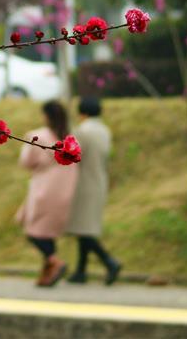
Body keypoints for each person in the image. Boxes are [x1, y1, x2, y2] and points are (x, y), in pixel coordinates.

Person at [16, 101, 79, 287]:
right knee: (48, 233)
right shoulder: (72, 139)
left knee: (33, 231)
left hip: (43, 189)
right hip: (65, 190)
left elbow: (26, 162)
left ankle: (54, 261)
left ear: (46, 116)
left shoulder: (38, 136)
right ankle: (48, 273)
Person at [65, 96, 122, 285]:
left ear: (83, 112)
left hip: (83, 183)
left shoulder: (82, 131)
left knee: (83, 229)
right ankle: (81, 271)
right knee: (85, 228)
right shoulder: (104, 130)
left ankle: (109, 261)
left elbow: (72, 155)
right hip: (99, 181)